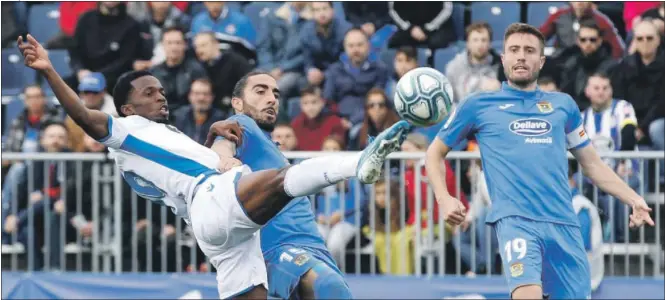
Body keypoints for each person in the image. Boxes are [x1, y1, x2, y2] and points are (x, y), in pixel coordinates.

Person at [19, 34, 411, 299]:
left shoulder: (155, 138)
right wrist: (49, 70)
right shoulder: (124, 130)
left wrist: (213, 137)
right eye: (149, 92)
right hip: (210, 197)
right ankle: (359, 162)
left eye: (161, 89)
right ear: (126, 108)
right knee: (284, 180)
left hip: (222, 237)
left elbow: (191, 155)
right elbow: (87, 118)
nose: (161, 96)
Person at [425, 23, 654, 299]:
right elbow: (433, 152)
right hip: (516, 221)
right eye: (514, 50)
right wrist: (444, 198)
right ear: (503, 58)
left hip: (564, 224)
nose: (521, 56)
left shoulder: (563, 105)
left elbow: (592, 164)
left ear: (542, 60)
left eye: (529, 50)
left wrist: (633, 198)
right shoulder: (477, 105)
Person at [207, 71, 409, 299]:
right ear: (237, 103)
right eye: (260, 91)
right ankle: (358, 161)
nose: (271, 98)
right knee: (329, 287)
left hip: (315, 247)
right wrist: (222, 159)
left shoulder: (272, 147)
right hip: (280, 249)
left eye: (275, 93)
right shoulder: (243, 124)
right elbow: (224, 141)